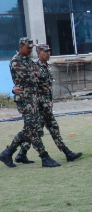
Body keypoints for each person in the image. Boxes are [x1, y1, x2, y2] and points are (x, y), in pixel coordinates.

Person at [15, 44, 82, 164]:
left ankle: (21, 154)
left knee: (32, 131)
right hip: (40, 105)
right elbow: (29, 84)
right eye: (45, 51)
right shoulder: (35, 67)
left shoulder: (46, 66)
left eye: (49, 51)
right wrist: (15, 89)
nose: (48, 53)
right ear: (39, 52)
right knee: (51, 128)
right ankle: (67, 153)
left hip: (46, 103)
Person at [0, 38, 61, 168]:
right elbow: (31, 78)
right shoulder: (16, 61)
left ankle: (8, 153)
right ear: (21, 46)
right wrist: (34, 75)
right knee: (33, 129)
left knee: (29, 129)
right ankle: (44, 157)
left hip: (34, 99)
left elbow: (41, 76)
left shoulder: (28, 60)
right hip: (25, 100)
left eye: (31, 48)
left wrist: (35, 74)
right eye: (28, 48)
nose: (30, 50)